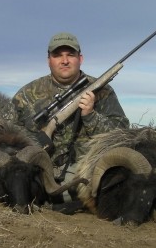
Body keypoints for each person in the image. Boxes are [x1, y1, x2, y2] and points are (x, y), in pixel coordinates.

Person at [11, 32, 129, 188]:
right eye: (58, 55)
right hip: (35, 175)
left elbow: (122, 136)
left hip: (85, 176)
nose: (64, 61)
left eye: (70, 55)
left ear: (80, 59)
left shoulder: (103, 91)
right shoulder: (25, 95)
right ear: (49, 61)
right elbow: (8, 136)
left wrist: (91, 116)